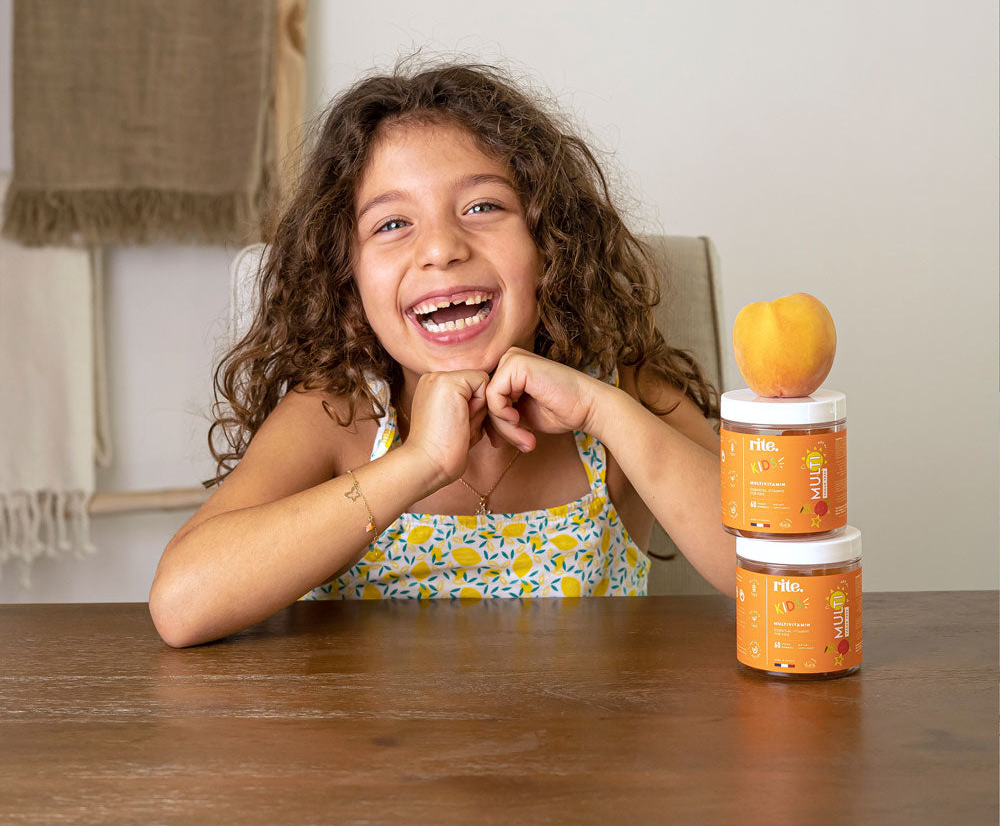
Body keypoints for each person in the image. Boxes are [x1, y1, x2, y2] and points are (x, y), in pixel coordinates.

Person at [149, 56, 736, 648]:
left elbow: (771, 567)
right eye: (392, 224)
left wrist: (601, 410)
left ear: (550, 245)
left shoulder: (621, 395)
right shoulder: (335, 416)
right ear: (345, 276)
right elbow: (182, 605)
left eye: (482, 207)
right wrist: (421, 461)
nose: (440, 248)